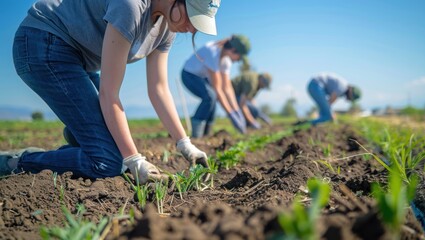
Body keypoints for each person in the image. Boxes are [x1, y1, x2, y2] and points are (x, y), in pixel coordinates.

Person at [0, 0, 222, 184]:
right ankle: (16, 162)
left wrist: (185, 144)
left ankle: (82, 139)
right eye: (192, 17)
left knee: (113, 148)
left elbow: (158, 89)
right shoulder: (131, 6)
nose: (192, 28)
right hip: (42, 42)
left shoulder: (167, 27)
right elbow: (109, 92)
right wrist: (134, 160)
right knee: (107, 161)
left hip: (76, 59)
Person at [181, 34, 251, 138]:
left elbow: (227, 88)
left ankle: (206, 134)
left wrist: (237, 111)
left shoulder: (226, 61)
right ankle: (196, 135)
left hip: (203, 77)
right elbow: (218, 89)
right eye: (239, 57)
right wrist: (231, 115)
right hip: (189, 74)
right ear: (233, 50)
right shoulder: (212, 52)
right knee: (210, 97)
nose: (238, 60)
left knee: (213, 99)